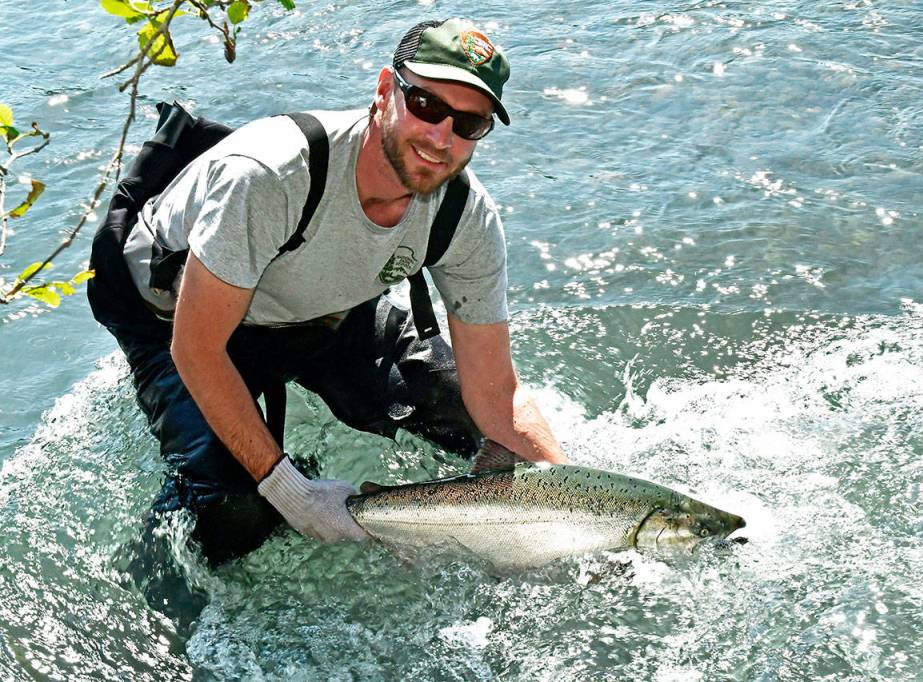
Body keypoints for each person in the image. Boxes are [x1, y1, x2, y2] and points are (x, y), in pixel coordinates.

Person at [88, 18, 568, 568]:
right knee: (235, 513)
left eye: (468, 123)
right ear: (385, 91)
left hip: (325, 312)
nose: (441, 138)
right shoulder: (269, 175)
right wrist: (293, 492)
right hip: (179, 320)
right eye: (427, 106)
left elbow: (498, 396)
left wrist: (572, 503)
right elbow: (196, 349)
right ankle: (156, 578)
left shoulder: (465, 216)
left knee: (464, 422)